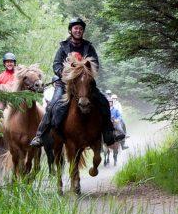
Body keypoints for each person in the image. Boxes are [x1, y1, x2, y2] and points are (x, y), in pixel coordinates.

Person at [29, 17, 125, 147]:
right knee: (52, 105)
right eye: (76, 28)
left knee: (103, 101)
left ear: (83, 31)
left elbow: (95, 63)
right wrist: (65, 73)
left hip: (85, 84)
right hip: (65, 84)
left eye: (80, 28)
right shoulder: (63, 47)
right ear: (71, 30)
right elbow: (56, 65)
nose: (78, 30)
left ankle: (109, 132)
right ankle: (40, 135)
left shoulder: (88, 47)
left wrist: (86, 69)